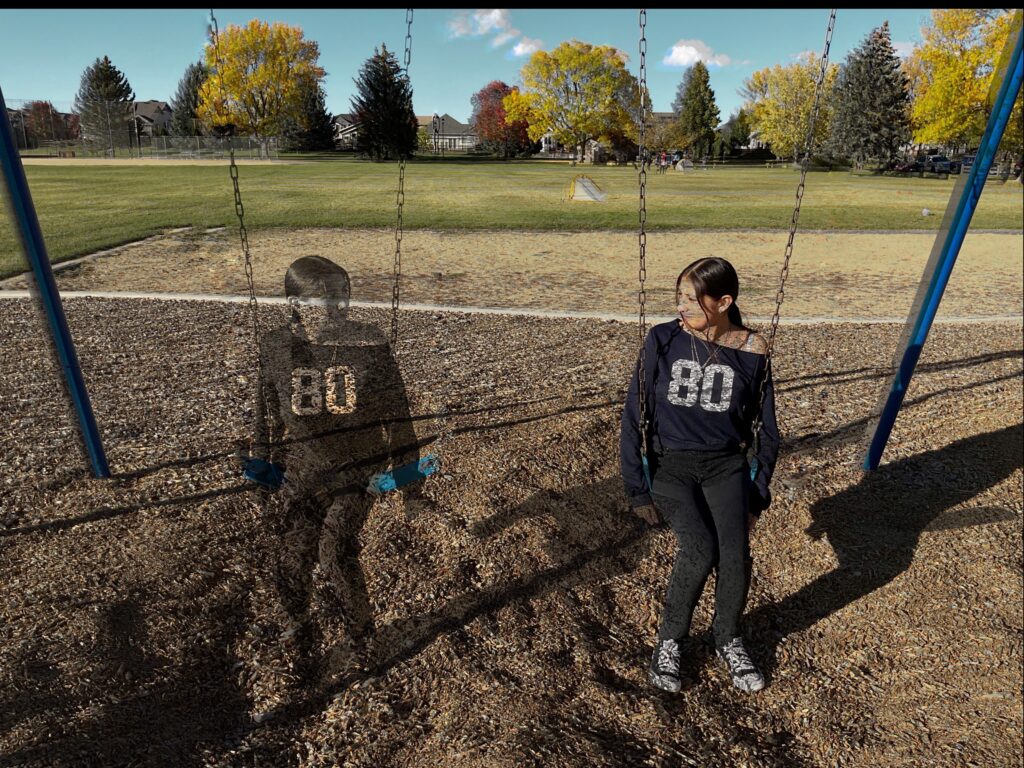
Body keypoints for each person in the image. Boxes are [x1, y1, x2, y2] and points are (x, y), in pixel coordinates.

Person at [253, 255, 422, 681]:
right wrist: (262, 472)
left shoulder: (369, 347)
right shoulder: (276, 348)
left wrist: (409, 483)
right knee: (291, 558)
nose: (335, 308)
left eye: (342, 297)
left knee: (334, 553)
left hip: (358, 473)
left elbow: (398, 419)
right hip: (303, 473)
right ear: (293, 304)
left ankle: (363, 638)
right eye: (321, 299)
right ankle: (298, 630)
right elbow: (268, 418)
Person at [620, 256, 779, 694]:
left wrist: (756, 496)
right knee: (700, 547)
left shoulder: (752, 350)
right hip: (670, 465)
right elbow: (633, 416)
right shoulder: (663, 340)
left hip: (725, 465)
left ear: (724, 301)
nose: (681, 306)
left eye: (692, 298)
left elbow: (767, 431)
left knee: (735, 552)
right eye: (679, 296)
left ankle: (727, 637)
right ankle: (669, 641)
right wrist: (638, 489)